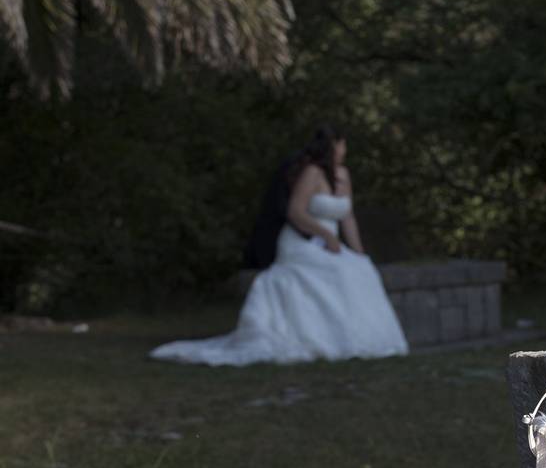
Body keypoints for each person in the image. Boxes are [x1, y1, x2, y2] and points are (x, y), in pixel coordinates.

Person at [150, 125, 409, 366]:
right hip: (302, 240)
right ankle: (325, 338)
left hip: (329, 243)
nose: (344, 151)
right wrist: (326, 236)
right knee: (339, 273)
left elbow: (347, 216)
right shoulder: (311, 173)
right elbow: (296, 212)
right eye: (342, 146)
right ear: (334, 146)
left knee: (360, 269)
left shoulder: (344, 176)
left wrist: (358, 251)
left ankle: (366, 339)